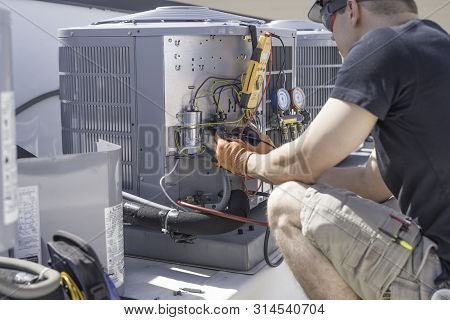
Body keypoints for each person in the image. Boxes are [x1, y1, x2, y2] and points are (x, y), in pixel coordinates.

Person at [215, 0, 450, 299]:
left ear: (352, 8)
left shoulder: (381, 46)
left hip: (441, 279)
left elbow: (305, 160)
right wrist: (273, 159)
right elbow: (373, 182)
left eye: (327, 19)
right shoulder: (437, 44)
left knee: (286, 203)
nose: (329, 33)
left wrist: (246, 162)